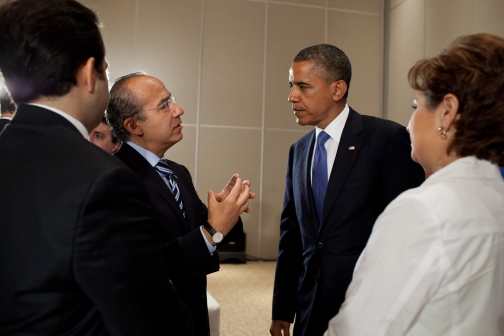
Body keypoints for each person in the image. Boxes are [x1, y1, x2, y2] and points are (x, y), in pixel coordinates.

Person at [0, 0, 245, 334]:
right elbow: (150, 315)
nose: (178, 110)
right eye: (105, 70)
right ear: (89, 74)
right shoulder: (104, 178)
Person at [327, 33, 504, 335]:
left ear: (447, 112)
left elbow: (357, 330)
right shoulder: (495, 197)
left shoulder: (423, 212)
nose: (409, 124)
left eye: (415, 105)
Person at [270, 44, 425, 336]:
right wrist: (282, 308)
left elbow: (409, 232)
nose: (292, 96)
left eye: (303, 87)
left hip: (368, 302)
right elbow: (292, 236)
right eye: (292, 86)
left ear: (337, 89)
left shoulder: (386, 139)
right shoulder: (298, 151)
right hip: (309, 304)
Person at [107, 72, 255, 336]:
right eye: (164, 105)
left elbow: (199, 230)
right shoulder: (115, 178)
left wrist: (226, 210)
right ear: (134, 125)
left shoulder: (177, 171)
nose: (179, 110)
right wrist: (212, 231)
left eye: (171, 100)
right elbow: (146, 266)